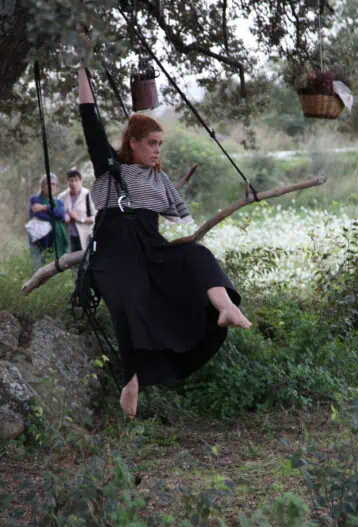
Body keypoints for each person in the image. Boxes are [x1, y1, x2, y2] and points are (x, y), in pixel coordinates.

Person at [77, 67, 251, 418]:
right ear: (133, 143)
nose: (157, 151)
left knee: (196, 255)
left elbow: (178, 224)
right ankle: (131, 381)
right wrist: (83, 68)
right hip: (114, 249)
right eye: (151, 144)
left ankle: (225, 307)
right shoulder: (112, 170)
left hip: (149, 245)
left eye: (160, 144)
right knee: (126, 302)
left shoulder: (160, 180)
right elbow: (90, 120)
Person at [28, 173, 69, 272]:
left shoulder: (59, 202)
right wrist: (56, 216)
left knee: (54, 270)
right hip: (39, 240)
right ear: (42, 186)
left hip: (54, 241)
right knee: (38, 269)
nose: (51, 186)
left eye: (54, 184)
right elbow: (39, 216)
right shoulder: (35, 199)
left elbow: (61, 214)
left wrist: (44, 207)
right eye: (49, 184)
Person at [57, 168, 96, 253]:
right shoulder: (61, 197)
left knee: (85, 261)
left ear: (81, 181)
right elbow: (58, 215)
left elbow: (95, 217)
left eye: (76, 180)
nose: (74, 183)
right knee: (70, 262)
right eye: (71, 180)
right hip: (68, 236)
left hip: (85, 236)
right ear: (67, 181)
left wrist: (79, 219)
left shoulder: (87, 195)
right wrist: (65, 218)